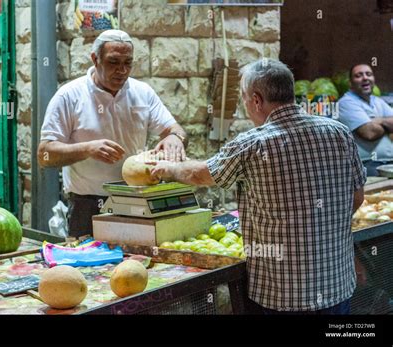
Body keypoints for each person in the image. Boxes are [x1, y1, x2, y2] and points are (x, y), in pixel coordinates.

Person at [148, 59, 366, 314]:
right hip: (335, 288)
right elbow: (357, 197)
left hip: (282, 296)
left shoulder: (252, 144)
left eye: (243, 99)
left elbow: (201, 174)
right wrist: (316, 227)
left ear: (256, 100)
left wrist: (169, 168)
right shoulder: (339, 133)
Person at [38, 30, 187, 238]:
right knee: (88, 268)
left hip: (136, 201)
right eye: (113, 62)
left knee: (136, 265)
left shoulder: (142, 93)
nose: (122, 70)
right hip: (86, 206)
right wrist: (88, 149)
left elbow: (174, 129)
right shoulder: (69, 96)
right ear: (95, 59)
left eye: (128, 63)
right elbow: (44, 155)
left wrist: (174, 137)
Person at [338, 64, 393, 176]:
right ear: (350, 83)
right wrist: (387, 126)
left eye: (369, 74)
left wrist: (377, 121)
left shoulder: (377, 101)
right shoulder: (346, 103)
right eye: (358, 75)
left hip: (389, 163)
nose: (365, 78)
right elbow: (369, 133)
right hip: (367, 165)